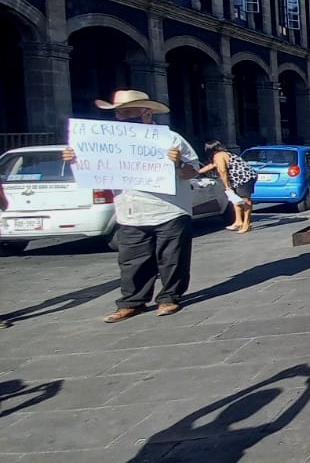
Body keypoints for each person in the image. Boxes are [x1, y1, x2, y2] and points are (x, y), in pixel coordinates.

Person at [62, 90, 201, 323]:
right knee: (131, 261)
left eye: (126, 112)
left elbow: (192, 171)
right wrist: (75, 159)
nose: (120, 117)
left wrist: (177, 164)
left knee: (172, 259)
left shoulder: (171, 139)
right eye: (118, 113)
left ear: (146, 113)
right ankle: (132, 302)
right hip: (129, 210)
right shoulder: (106, 142)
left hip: (170, 210)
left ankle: (169, 297)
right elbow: (94, 167)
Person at [199, 140, 256, 233]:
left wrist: (227, 186)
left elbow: (222, 170)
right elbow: (211, 166)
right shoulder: (222, 154)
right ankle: (238, 221)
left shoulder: (218, 155)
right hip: (238, 179)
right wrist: (197, 172)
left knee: (246, 200)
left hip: (244, 178)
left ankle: (246, 223)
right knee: (236, 200)